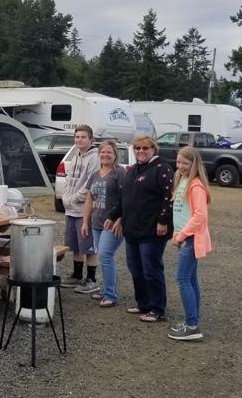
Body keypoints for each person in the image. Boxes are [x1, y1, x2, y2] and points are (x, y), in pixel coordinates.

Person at [106, 133, 174, 323]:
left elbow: (169, 197)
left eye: (145, 148)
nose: (141, 151)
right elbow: (124, 197)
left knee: (151, 269)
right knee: (135, 268)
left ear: (153, 149)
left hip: (152, 229)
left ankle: (157, 309)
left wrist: (163, 221)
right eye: (137, 148)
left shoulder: (162, 168)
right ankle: (143, 303)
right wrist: (113, 215)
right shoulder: (133, 170)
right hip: (132, 228)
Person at [168, 146, 212, 341]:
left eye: (185, 163)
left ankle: (192, 326)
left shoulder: (195, 185)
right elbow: (181, 212)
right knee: (191, 280)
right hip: (185, 237)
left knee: (182, 279)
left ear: (194, 164)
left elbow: (200, 216)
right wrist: (176, 233)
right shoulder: (182, 181)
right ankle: (192, 321)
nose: (180, 166)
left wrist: (182, 235)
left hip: (191, 239)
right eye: (178, 162)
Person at [80, 141, 123, 307]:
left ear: (115, 155)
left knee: (105, 255)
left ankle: (111, 295)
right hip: (96, 222)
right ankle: (105, 290)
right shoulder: (95, 174)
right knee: (103, 256)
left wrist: (120, 220)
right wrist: (85, 222)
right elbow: (89, 200)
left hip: (112, 223)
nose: (105, 155)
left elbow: (126, 198)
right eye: (103, 152)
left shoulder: (120, 173)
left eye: (109, 152)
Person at [60, 125, 100, 292]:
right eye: (77, 137)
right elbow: (69, 179)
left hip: (84, 209)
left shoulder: (94, 157)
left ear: (91, 139)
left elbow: (91, 183)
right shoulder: (76, 156)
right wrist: (66, 197)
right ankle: (77, 276)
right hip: (71, 209)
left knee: (88, 246)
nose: (79, 140)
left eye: (83, 137)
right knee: (75, 245)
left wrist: (75, 198)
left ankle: (91, 279)